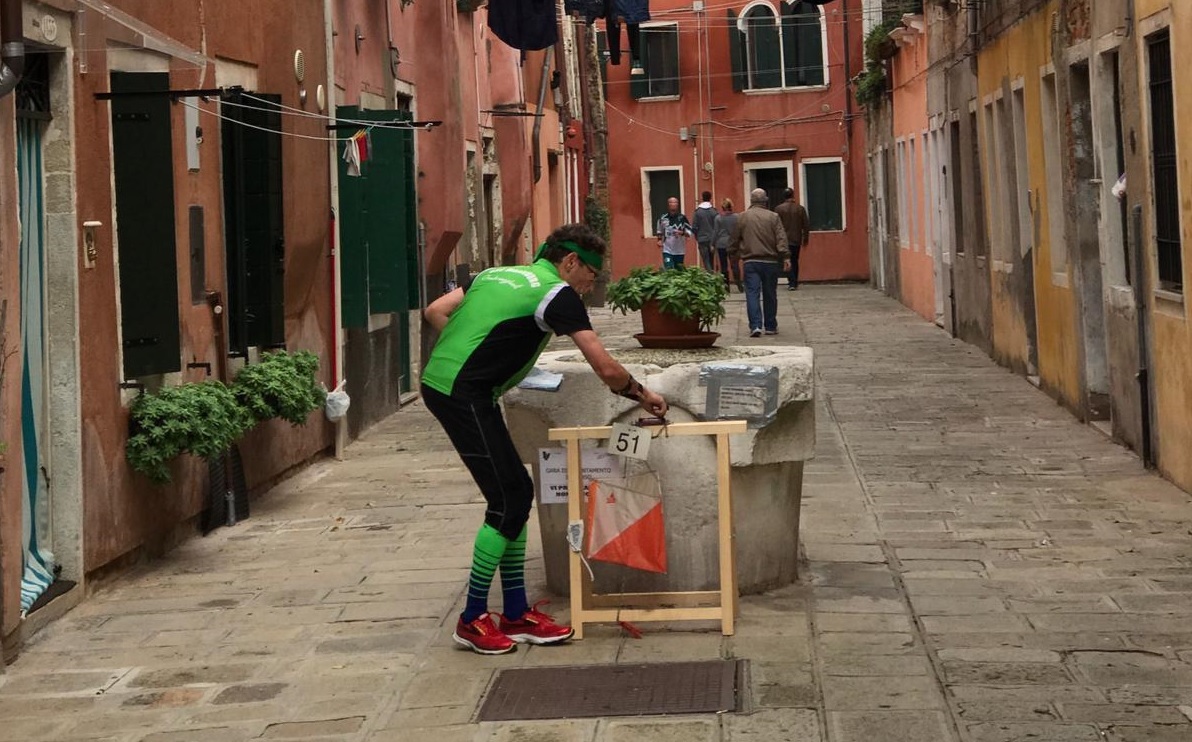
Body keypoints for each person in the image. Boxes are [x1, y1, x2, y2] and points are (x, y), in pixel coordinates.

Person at [421, 223, 669, 655]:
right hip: (462, 394)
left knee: (515, 494)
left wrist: (467, 353)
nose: (593, 282)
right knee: (508, 498)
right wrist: (643, 395)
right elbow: (606, 369)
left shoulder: (496, 274)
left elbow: (435, 311)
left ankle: (515, 613)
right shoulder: (557, 293)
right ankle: (472, 618)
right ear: (570, 262)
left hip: (456, 386)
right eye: (592, 271)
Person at [730, 188, 789, 337]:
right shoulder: (773, 217)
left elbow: (734, 239)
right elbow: (781, 237)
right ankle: (770, 325)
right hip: (770, 261)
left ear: (751, 200)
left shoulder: (742, 217)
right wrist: (786, 256)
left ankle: (755, 325)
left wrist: (733, 254)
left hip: (751, 260)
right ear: (765, 201)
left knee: (752, 293)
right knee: (770, 294)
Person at [774, 187, 810, 291]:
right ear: (792, 195)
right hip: (796, 239)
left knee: (786, 260)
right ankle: (795, 281)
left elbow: (775, 225)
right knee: (794, 260)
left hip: (783, 240)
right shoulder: (800, 209)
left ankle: (791, 282)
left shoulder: (778, 209)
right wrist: (806, 238)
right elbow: (806, 225)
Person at [712, 198, 742, 292]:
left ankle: (726, 286)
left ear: (722, 207)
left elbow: (715, 232)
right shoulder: (737, 217)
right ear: (731, 206)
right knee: (735, 264)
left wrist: (712, 244)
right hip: (733, 244)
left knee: (723, 265)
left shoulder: (718, 218)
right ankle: (739, 284)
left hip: (721, 244)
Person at [656, 197, 693, 270]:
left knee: (678, 271)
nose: (673, 205)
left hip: (679, 251)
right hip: (667, 250)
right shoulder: (663, 218)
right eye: (671, 203)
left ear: (678, 205)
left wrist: (681, 233)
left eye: (675, 203)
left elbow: (690, 232)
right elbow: (659, 230)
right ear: (668, 205)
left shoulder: (682, 218)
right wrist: (659, 240)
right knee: (669, 269)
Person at [692, 191, 718, 272]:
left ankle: (710, 275)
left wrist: (696, 236)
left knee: (705, 260)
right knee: (711, 259)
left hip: (702, 238)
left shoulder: (697, 212)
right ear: (710, 198)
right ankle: (712, 276)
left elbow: (694, 226)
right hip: (712, 239)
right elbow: (717, 226)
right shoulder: (714, 211)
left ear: (702, 198)